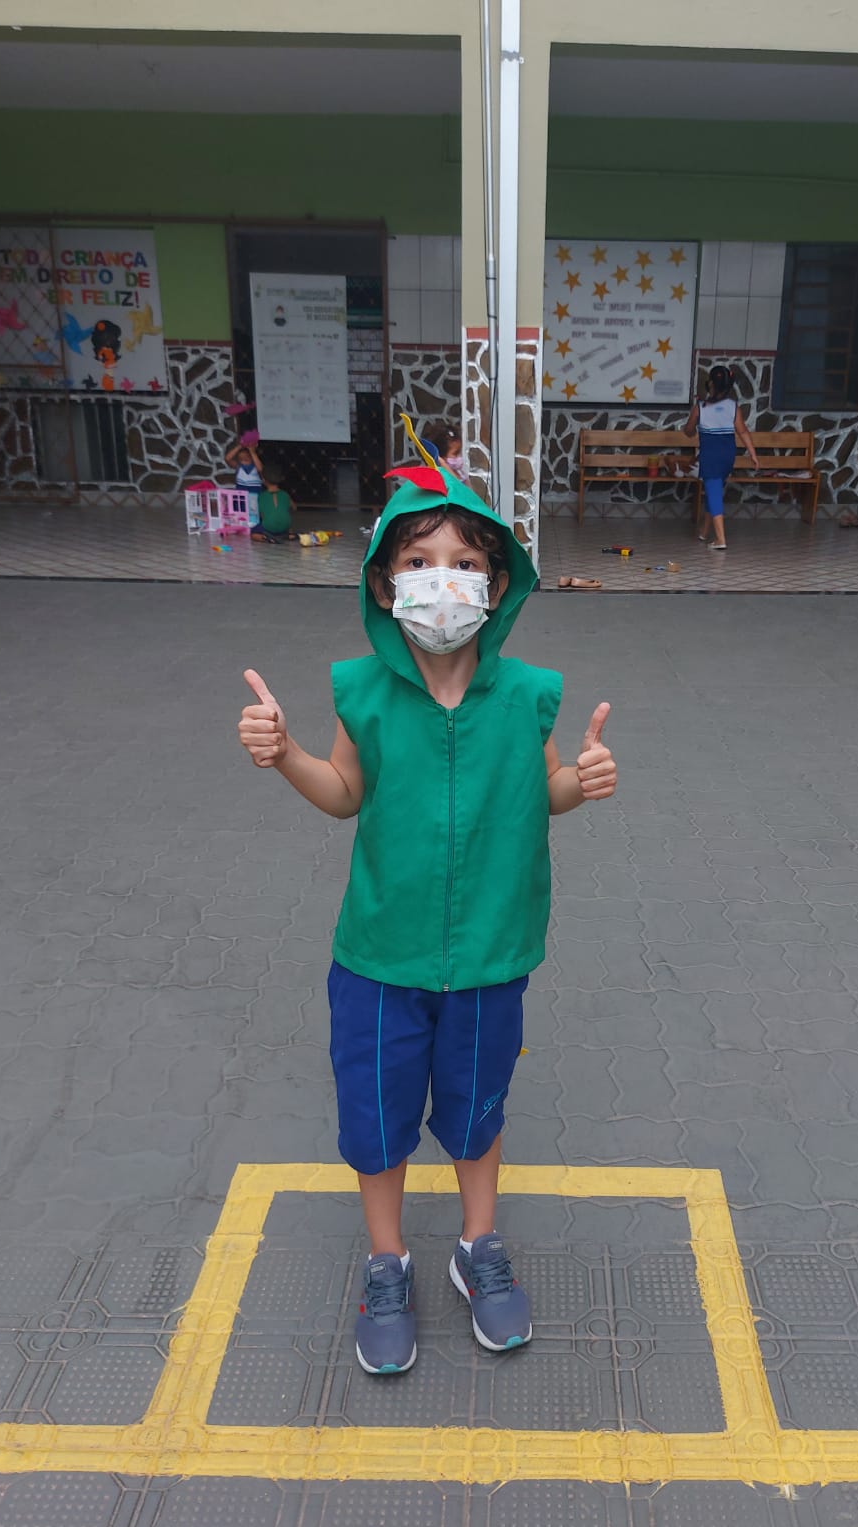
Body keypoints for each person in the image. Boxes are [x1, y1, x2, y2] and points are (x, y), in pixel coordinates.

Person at [237, 455, 618, 1376]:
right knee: (377, 1118)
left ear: (496, 585)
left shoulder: (527, 695)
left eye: (464, 562)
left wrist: (582, 779)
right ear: (384, 583)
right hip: (379, 955)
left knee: (478, 1111)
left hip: (490, 954)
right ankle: (387, 1261)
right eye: (417, 560)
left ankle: (478, 1246)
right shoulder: (362, 692)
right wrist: (285, 755)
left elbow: (545, 791)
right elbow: (343, 794)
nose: (441, 580)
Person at [683, 365, 759, 551]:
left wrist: (691, 428)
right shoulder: (733, 407)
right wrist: (753, 453)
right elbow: (743, 431)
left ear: (711, 384)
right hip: (727, 457)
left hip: (710, 457)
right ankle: (704, 531)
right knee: (714, 491)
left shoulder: (700, 408)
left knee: (714, 493)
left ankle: (720, 539)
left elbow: (689, 431)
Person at [226, 437, 264, 534]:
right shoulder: (238, 466)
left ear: (251, 458)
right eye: (241, 459)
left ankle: (254, 527)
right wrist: (239, 446)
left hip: (254, 495)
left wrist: (252, 451)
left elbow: (260, 468)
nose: (243, 461)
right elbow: (228, 458)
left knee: (254, 514)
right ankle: (240, 526)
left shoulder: (256, 467)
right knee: (239, 512)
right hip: (240, 495)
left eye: (246, 459)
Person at [254, 460, 295, 543]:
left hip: (269, 527)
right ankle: (289, 535)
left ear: (264, 480)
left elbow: (261, 514)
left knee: (254, 533)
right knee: (288, 527)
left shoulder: (261, 496)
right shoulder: (285, 494)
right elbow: (294, 508)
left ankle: (267, 538)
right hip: (284, 527)